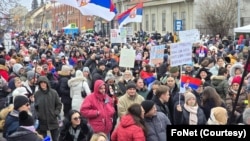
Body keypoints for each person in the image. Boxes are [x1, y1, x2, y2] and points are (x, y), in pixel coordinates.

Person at [34, 76, 62, 141]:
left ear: (47, 83)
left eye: (44, 82)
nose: (43, 84)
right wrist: (38, 115)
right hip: (42, 122)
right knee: (44, 139)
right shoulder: (37, 94)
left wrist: (55, 113)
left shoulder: (53, 92)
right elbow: (35, 107)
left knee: (56, 139)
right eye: (41, 83)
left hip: (53, 120)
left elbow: (59, 104)